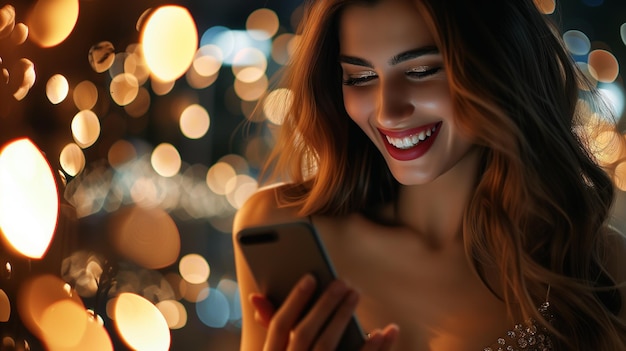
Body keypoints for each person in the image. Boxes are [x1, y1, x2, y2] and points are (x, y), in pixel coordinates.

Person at [232, 0, 626, 349]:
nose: (388, 111)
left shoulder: (597, 264)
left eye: (420, 70)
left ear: (498, 63)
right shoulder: (281, 228)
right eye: (360, 77)